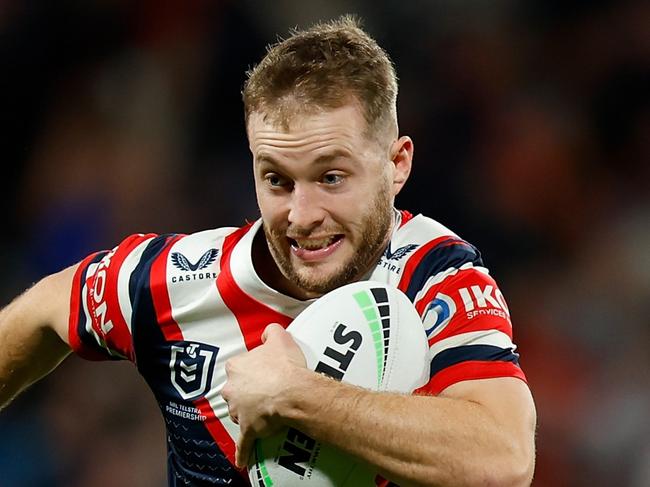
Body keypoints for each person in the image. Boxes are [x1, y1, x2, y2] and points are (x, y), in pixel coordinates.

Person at [0, 15, 536, 487]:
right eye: (277, 181)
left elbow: (503, 460)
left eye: (331, 177)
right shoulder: (181, 281)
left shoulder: (436, 274)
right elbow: (50, 306)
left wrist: (298, 396)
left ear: (397, 164)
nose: (302, 216)